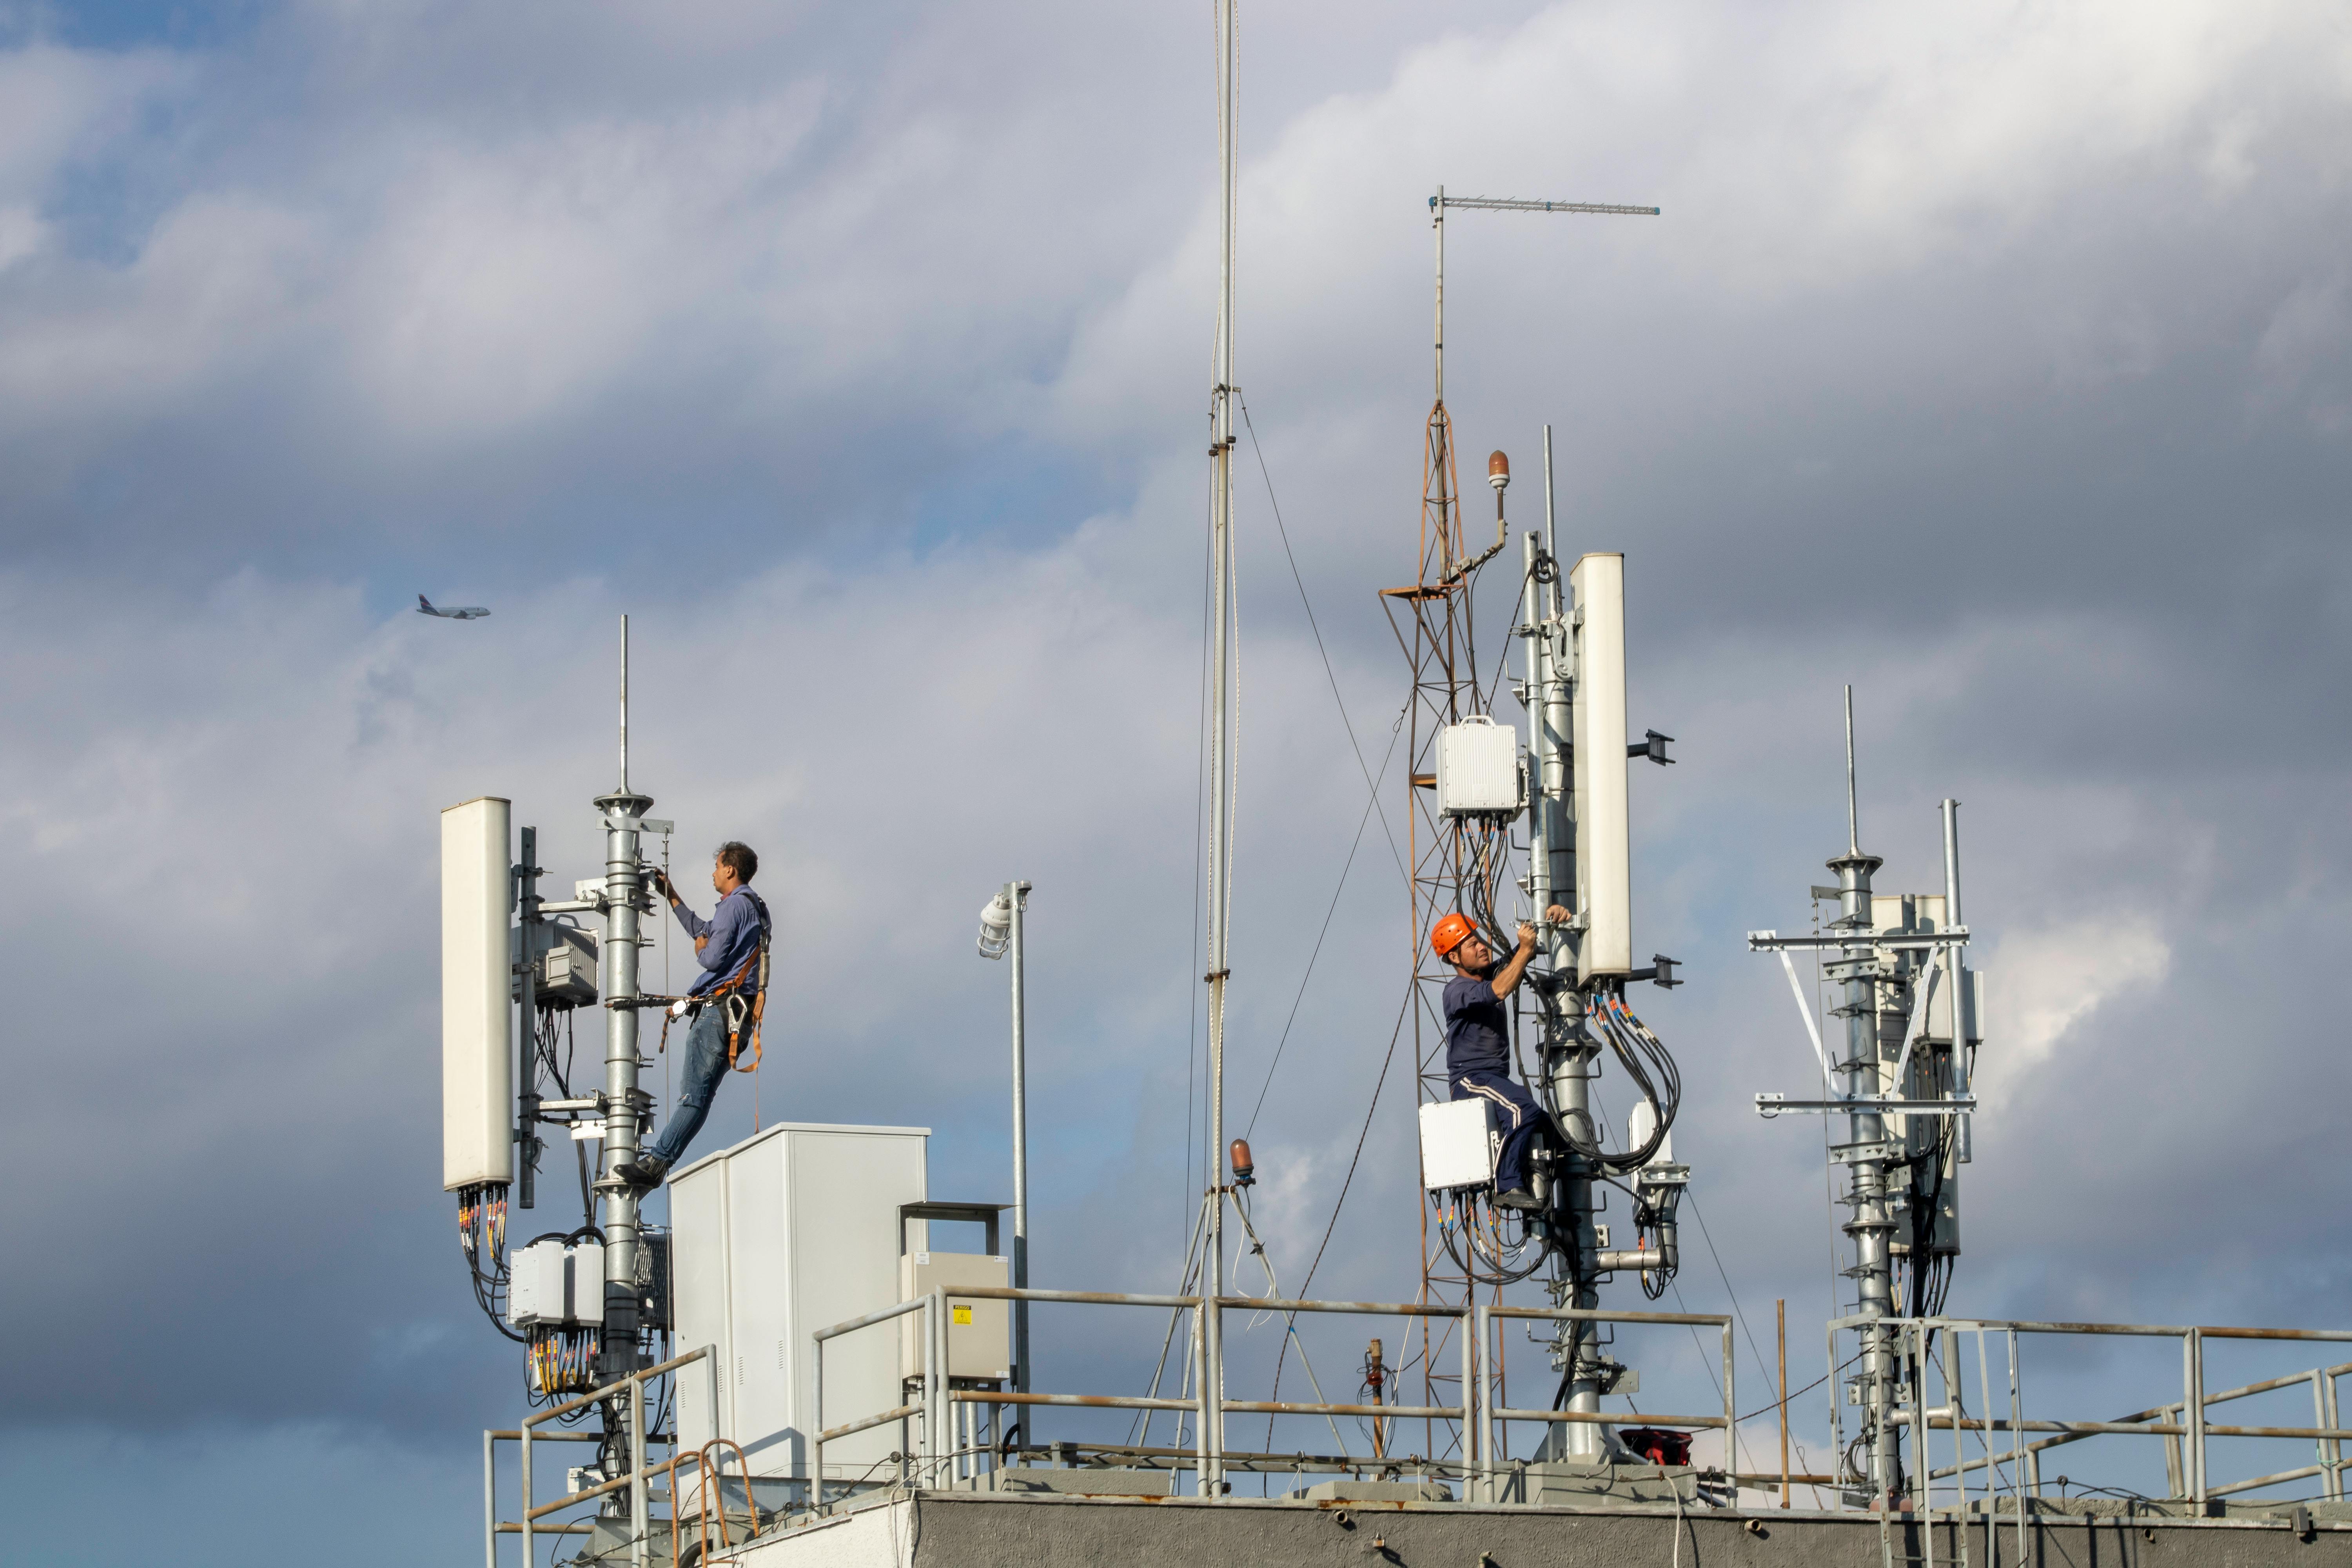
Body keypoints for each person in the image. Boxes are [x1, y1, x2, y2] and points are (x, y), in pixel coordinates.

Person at [614, 842, 771, 1189]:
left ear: (731, 869)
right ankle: (660, 1161)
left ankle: (656, 1163)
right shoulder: (755, 907)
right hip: (737, 1017)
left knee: (693, 1097)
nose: (714, 873)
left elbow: (711, 956)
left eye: (717, 866)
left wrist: (701, 951)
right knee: (699, 1100)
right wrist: (672, 897)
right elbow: (704, 930)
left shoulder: (732, 908)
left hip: (719, 1012)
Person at [1431, 906, 1570, 1211]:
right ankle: (1508, 1186)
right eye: (1472, 944)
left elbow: (1520, 958)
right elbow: (1501, 988)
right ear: (1454, 957)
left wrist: (1550, 916)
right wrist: (1524, 951)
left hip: (1494, 1079)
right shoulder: (1457, 991)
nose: (1482, 947)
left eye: (1480, 941)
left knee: (1550, 1130)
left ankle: (1552, 1191)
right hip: (1472, 1079)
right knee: (1523, 1110)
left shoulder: (1486, 975)